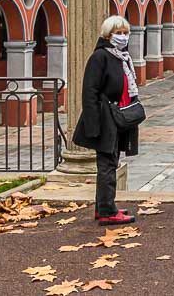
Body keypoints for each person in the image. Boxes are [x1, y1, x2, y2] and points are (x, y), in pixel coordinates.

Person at [72, 15, 141, 225]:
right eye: (118, 33)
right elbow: (89, 92)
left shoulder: (121, 57)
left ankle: (103, 206)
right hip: (105, 118)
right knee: (107, 164)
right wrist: (94, 125)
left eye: (126, 33)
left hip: (119, 116)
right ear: (108, 35)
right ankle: (108, 211)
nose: (123, 36)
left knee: (111, 162)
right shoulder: (100, 57)